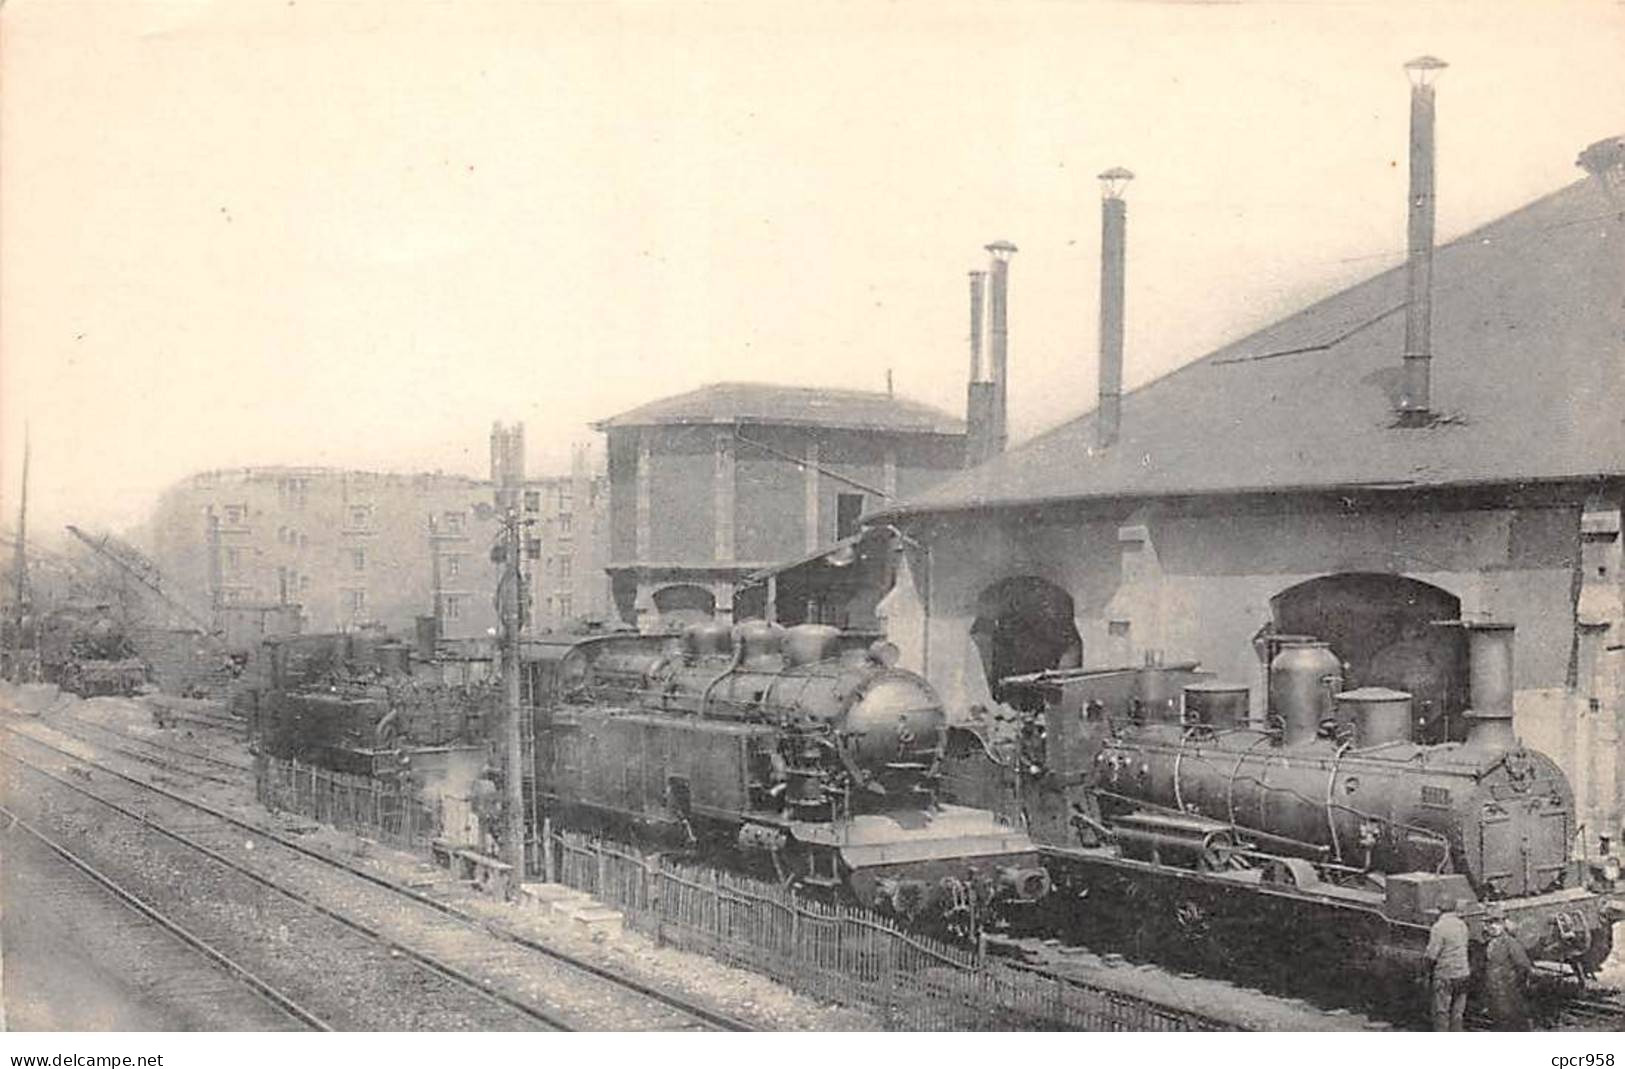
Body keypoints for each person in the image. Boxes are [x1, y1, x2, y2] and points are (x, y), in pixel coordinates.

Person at [1424, 898, 1473, 1031]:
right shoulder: (1462, 925)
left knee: (1441, 1012)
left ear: (1439, 909)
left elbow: (1432, 954)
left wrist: (1426, 972)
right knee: (1458, 1012)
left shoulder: (1439, 927)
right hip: (1463, 973)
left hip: (1445, 974)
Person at [1483, 910, 1536, 1030]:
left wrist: (1516, 982)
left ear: (1503, 924)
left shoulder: (1510, 943)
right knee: (1499, 1020)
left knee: (1513, 1021)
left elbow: (1523, 965)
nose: (1493, 926)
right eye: (1489, 923)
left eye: (1496, 923)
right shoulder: (1490, 943)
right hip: (1495, 991)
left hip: (1509, 990)